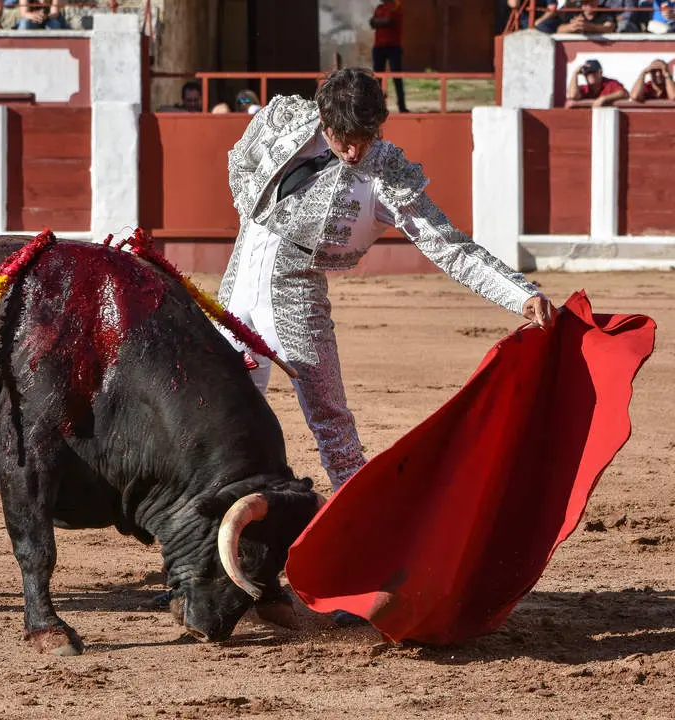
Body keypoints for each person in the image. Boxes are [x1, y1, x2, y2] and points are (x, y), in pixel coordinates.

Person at [218, 68, 554, 497]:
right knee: (226, 410)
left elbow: (448, 246)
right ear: (325, 120)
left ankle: (362, 525)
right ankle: (228, 518)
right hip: (234, 286)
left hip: (295, 297)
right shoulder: (284, 119)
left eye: (368, 135)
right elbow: (240, 163)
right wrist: (261, 213)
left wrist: (519, 293)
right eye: (346, 137)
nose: (357, 149)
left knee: (332, 425)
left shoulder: (385, 173)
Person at [370, 0, 408, 113]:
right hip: (378, 47)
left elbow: (390, 21)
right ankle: (377, 107)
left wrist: (378, 22)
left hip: (393, 47)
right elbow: (372, 23)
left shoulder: (396, 6)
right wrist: (379, 22)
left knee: (397, 77)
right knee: (377, 79)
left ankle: (402, 106)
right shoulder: (379, 8)